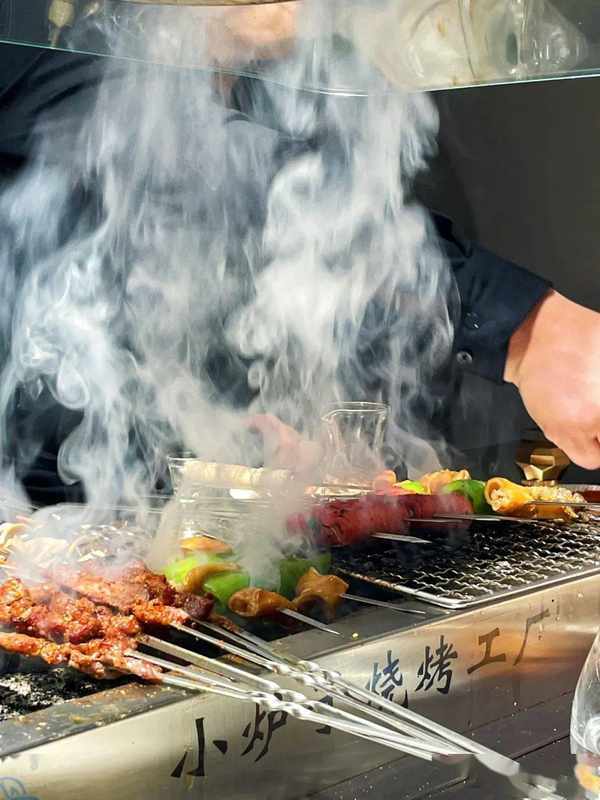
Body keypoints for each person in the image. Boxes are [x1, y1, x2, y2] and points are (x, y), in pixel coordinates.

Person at [0, 3, 597, 509]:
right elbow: (216, 170)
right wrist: (528, 328)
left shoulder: (287, 78)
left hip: (174, 508)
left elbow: (294, 279)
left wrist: (254, 427)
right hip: (40, 510)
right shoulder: (37, 40)